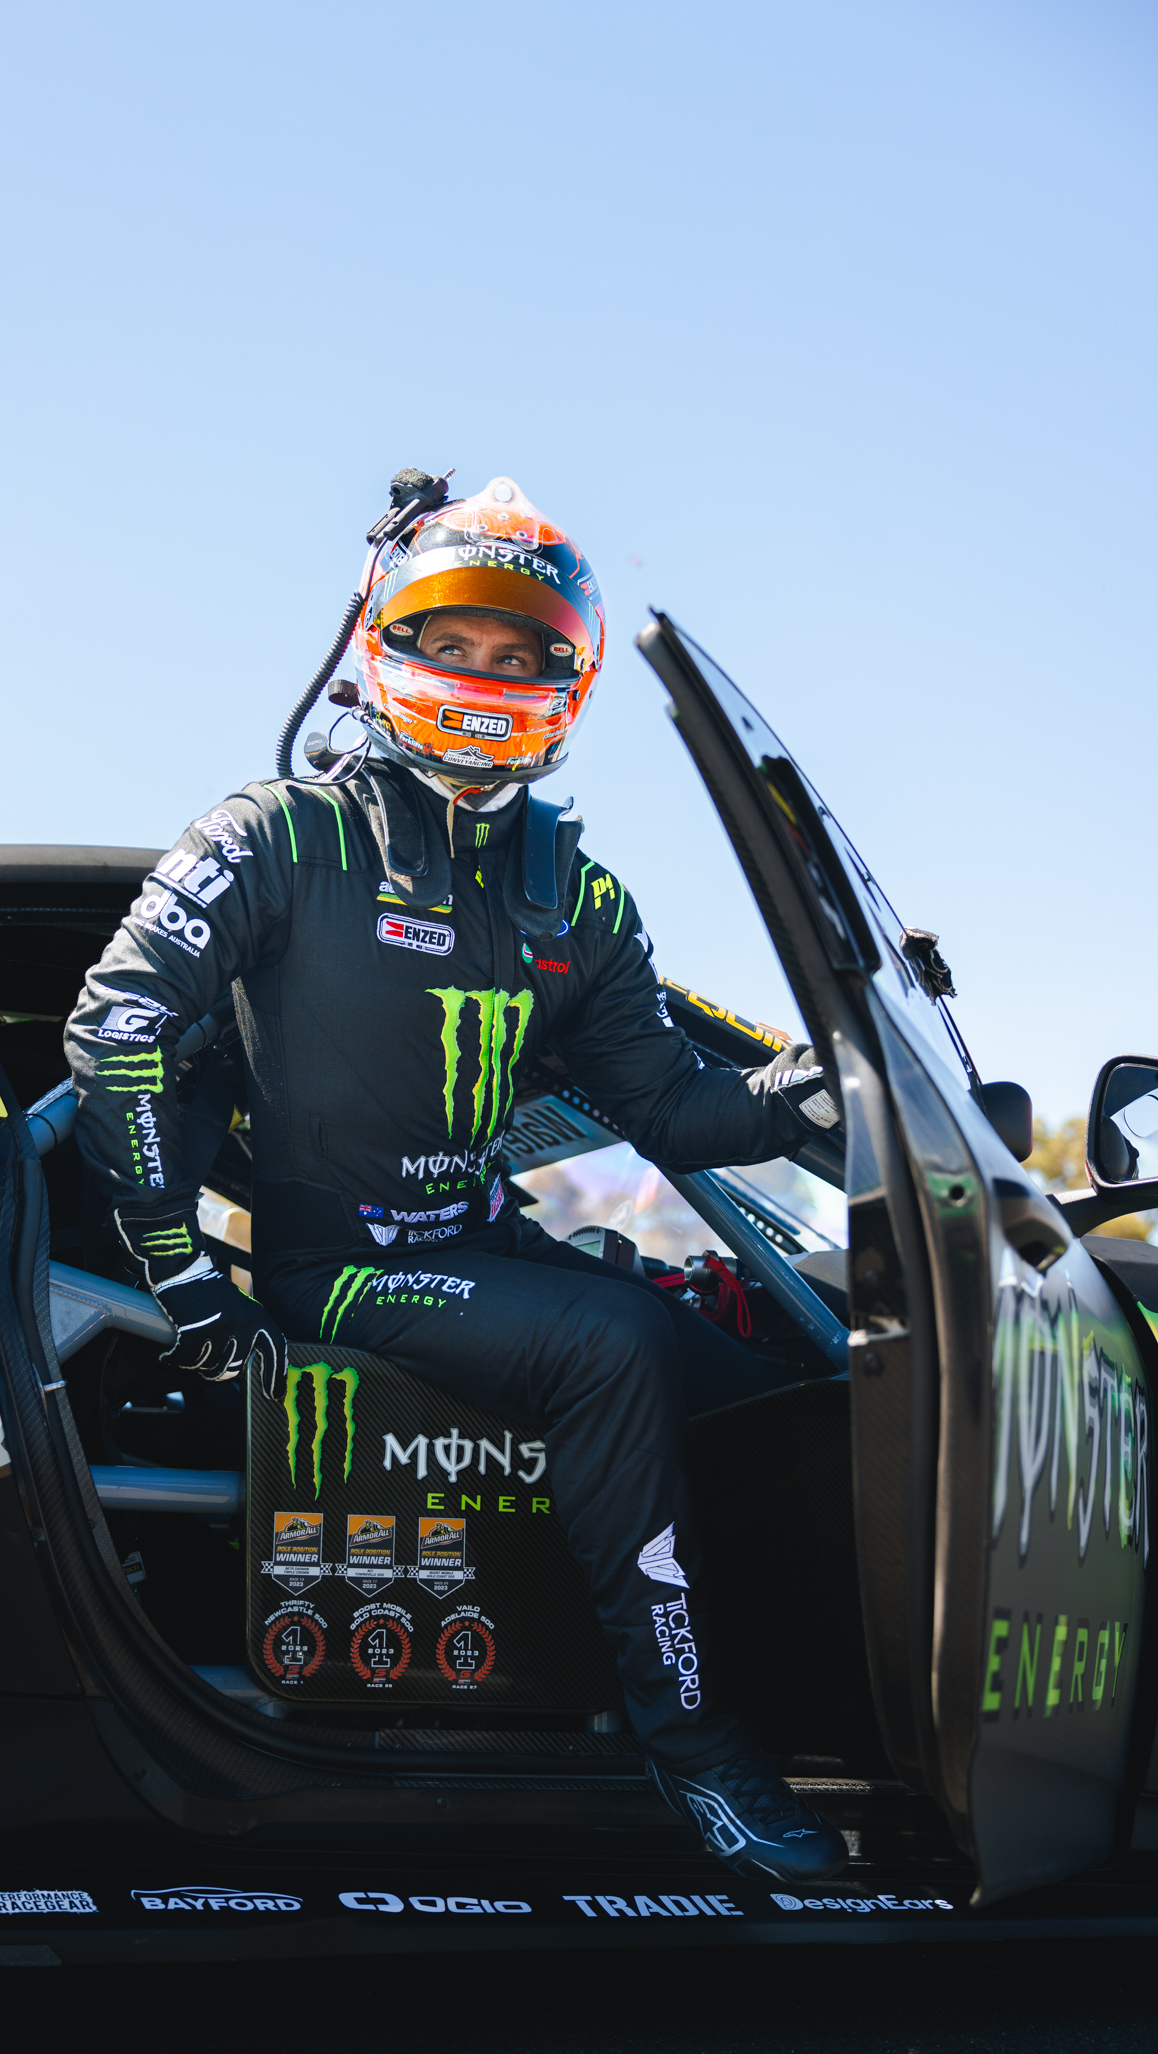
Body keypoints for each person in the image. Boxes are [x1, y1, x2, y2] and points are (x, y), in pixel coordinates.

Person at [65, 473, 848, 1882]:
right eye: (452, 642)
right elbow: (115, 1031)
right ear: (387, 646)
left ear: (568, 680)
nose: (482, 675)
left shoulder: (579, 896)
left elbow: (671, 1109)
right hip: (335, 1265)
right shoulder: (274, 835)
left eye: (515, 652)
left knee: (783, 1393)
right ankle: (694, 1755)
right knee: (610, 1344)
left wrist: (818, 1085)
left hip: (478, 1243)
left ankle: (835, 1708)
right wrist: (182, 1277)